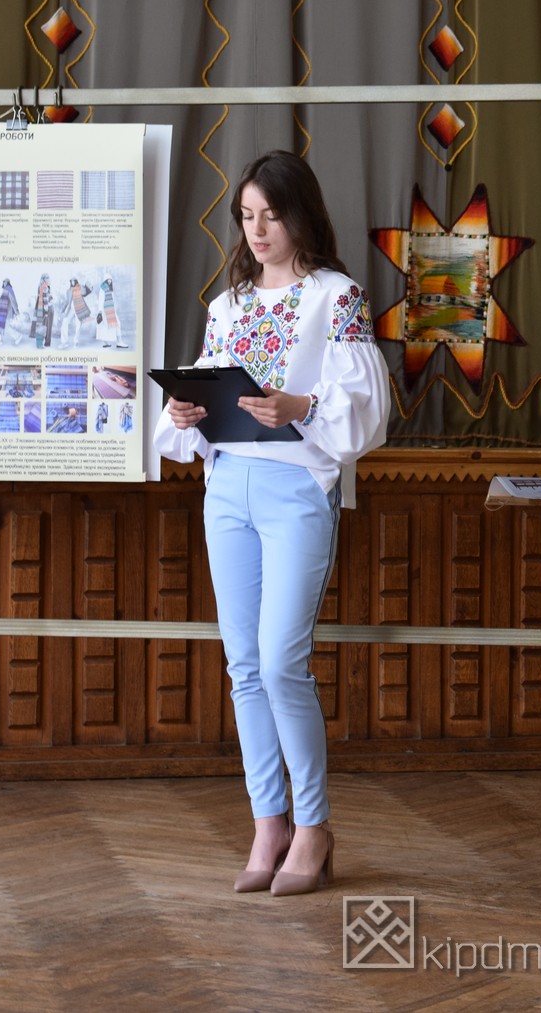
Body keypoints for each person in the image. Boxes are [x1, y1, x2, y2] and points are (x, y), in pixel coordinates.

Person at [153, 150, 390, 897]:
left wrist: (302, 405)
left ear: (302, 215)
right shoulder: (227, 305)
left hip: (296, 488)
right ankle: (268, 824)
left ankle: (313, 827)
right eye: (247, 216)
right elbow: (206, 392)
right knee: (244, 667)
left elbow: (366, 412)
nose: (257, 231)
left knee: (283, 662)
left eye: (272, 215)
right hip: (228, 488)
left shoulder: (337, 297)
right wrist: (185, 412)